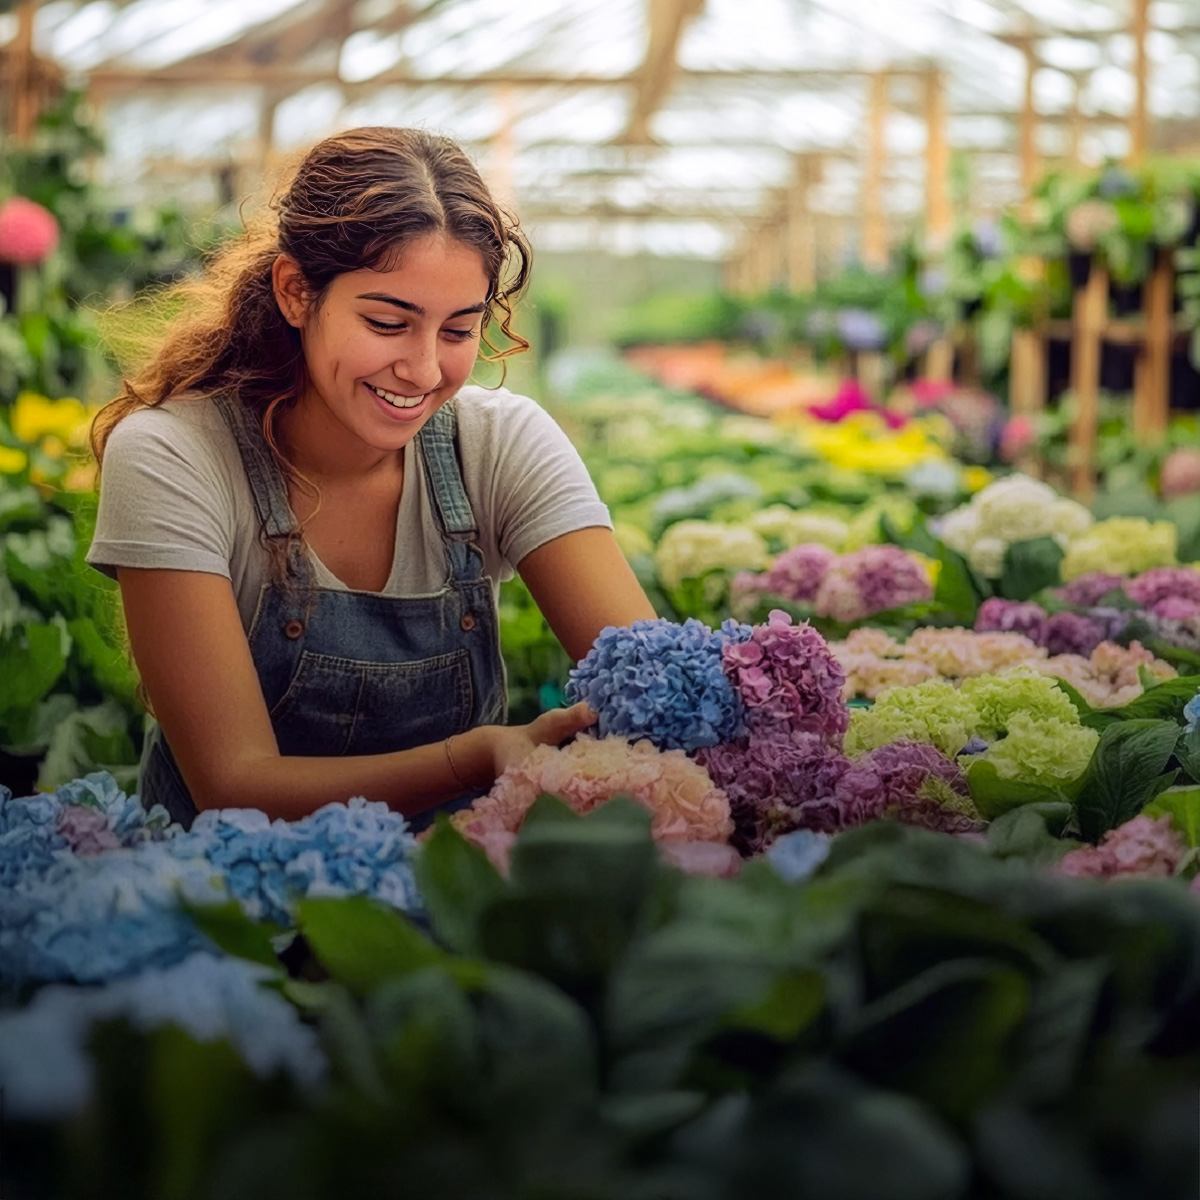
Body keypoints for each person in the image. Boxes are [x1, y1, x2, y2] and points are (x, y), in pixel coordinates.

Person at [87, 126, 656, 831]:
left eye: (457, 332)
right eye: (389, 322)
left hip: (454, 898)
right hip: (214, 909)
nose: (422, 370)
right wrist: (476, 758)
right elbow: (234, 787)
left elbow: (650, 679)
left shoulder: (500, 443)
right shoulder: (173, 457)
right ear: (297, 292)